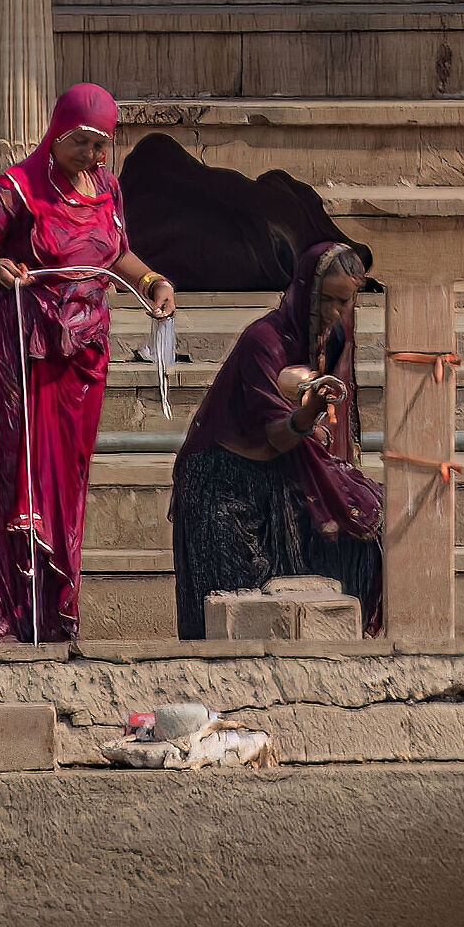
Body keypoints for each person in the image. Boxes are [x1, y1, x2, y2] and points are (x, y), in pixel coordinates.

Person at [0, 84, 177, 644]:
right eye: (82, 144)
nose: (93, 157)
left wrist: (152, 281)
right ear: (57, 132)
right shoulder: (17, 189)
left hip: (84, 355)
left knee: (68, 485)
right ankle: (10, 621)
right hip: (24, 352)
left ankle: (58, 616)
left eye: (102, 147)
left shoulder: (108, 189)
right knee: (17, 480)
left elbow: (116, 252)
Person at [173, 241, 382, 636]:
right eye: (327, 301)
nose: (335, 313)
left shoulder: (331, 342)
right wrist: (309, 414)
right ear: (305, 290)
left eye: (345, 302)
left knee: (362, 531)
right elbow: (279, 434)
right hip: (221, 484)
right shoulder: (264, 342)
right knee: (235, 610)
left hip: (275, 480)